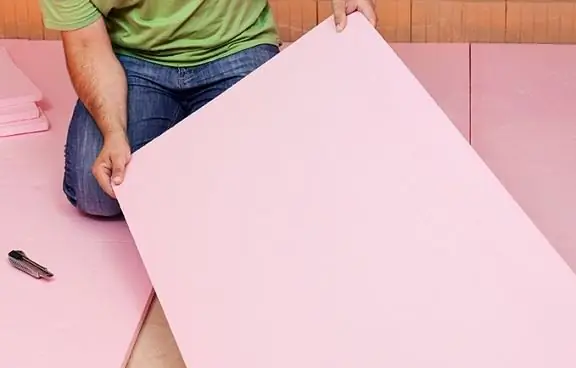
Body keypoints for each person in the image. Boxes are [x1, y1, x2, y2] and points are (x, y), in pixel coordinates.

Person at [39, 0, 377, 218]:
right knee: (96, 192)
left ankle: (196, 134)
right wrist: (114, 132)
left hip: (235, 46)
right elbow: (86, 44)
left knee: (273, 188)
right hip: (135, 59)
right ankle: (198, 135)